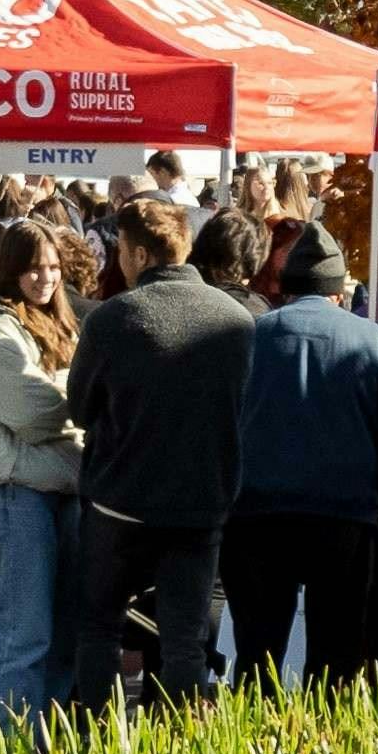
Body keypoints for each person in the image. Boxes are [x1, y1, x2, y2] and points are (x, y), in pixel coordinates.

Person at [62, 193, 253, 708]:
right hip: (201, 501)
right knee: (185, 639)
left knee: (99, 625)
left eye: (121, 250)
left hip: (119, 500)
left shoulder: (113, 318)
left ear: (139, 254)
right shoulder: (235, 320)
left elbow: (80, 408)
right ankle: (181, 749)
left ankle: (97, 741)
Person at [220, 228, 378, 687]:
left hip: (256, 513)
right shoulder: (376, 341)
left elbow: (219, 420)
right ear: (338, 289)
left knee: (258, 647)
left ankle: (254, 743)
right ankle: (325, 741)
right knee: (338, 647)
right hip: (344, 512)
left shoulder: (249, 336)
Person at [0, 221, 88, 717]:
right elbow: (31, 411)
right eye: (33, 268)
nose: (45, 278)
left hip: (66, 487)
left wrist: (65, 400)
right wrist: (80, 402)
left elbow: (49, 404)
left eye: (53, 267)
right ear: (11, 269)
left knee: (65, 632)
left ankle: (47, 750)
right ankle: (11, 753)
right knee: (24, 631)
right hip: (16, 491)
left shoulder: (65, 325)